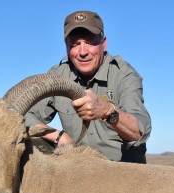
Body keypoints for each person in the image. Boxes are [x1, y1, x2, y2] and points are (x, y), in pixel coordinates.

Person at [25, 10, 151, 163]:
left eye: (90, 42)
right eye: (75, 44)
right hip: (80, 168)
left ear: (103, 44)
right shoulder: (57, 76)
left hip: (121, 170)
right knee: (26, 141)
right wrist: (57, 136)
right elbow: (23, 116)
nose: (83, 52)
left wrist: (106, 110)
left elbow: (139, 132)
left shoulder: (124, 75)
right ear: (67, 48)